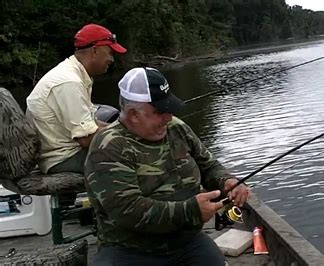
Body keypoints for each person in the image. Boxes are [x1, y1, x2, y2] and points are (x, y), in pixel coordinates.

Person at [84, 67, 251, 266]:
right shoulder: (109, 146)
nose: (169, 117)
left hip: (186, 243)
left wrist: (227, 181)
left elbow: (209, 166)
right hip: (129, 250)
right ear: (133, 114)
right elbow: (127, 210)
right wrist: (190, 211)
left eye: (169, 109)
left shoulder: (176, 128)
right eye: (160, 112)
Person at [26, 23, 127, 174]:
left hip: (65, 152)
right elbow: (87, 139)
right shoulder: (69, 82)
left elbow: (90, 125)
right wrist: (132, 135)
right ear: (95, 50)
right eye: (110, 52)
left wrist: (125, 129)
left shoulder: (77, 75)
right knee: (136, 157)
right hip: (61, 159)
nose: (112, 59)